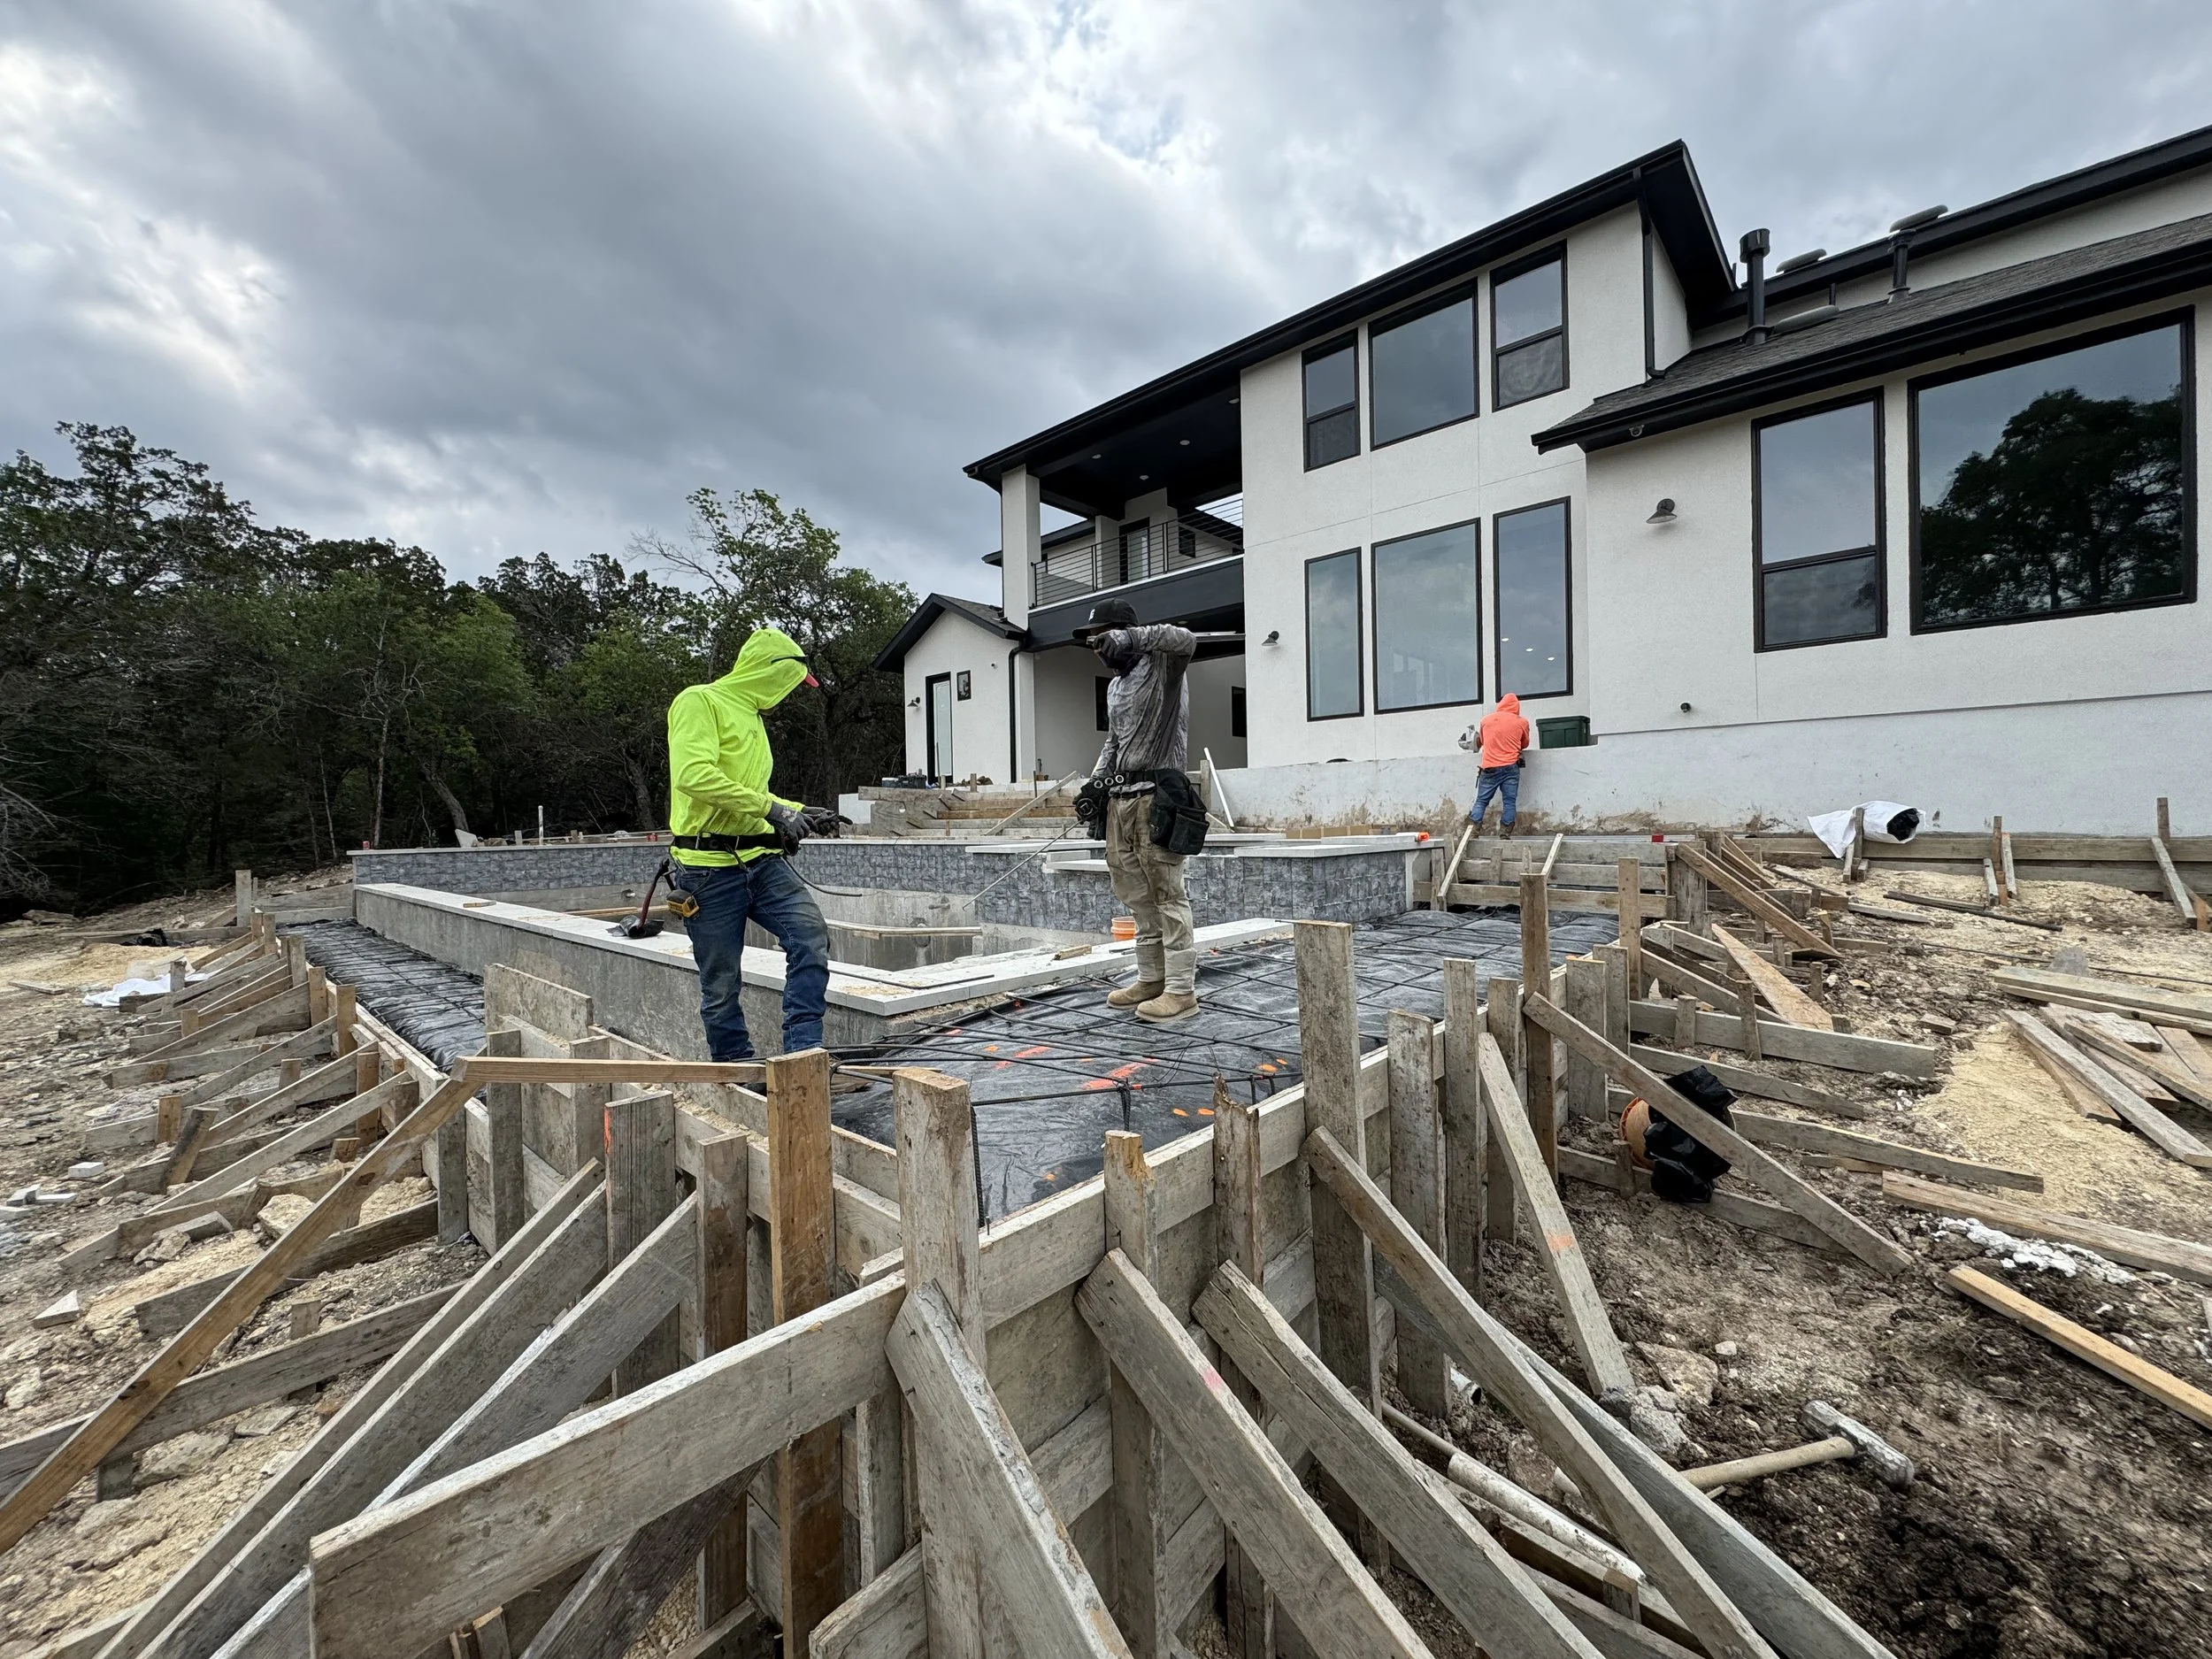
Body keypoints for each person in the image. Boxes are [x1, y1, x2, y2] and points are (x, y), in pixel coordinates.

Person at [665, 627, 841, 1060]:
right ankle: (736, 1067)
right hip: (707, 869)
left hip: (760, 861)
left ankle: (804, 1051)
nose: (789, 694)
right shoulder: (699, 701)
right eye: (790, 683)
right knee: (721, 982)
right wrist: (775, 811)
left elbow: (749, 792)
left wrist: (801, 810)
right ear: (771, 672)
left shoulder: (753, 718)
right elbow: (695, 776)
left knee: (810, 939)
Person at [1075, 598, 1203, 1023]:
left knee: (1167, 894)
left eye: (1103, 639)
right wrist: (1095, 784)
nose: (1099, 649)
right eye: (1094, 642)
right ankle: (1152, 979)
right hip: (1121, 800)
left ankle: (1182, 991)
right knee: (1137, 897)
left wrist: (1132, 637)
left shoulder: (1165, 668)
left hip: (1158, 796)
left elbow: (1186, 639)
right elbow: (1114, 742)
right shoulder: (1114, 687)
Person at [1461, 691, 1532, 835]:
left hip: (1489, 768)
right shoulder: (1521, 722)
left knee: (1481, 801)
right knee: (1509, 801)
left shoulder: (1486, 720)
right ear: (1516, 707)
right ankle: (1505, 833)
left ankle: (1473, 831)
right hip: (1511, 767)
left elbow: (1482, 741)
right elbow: (1524, 743)